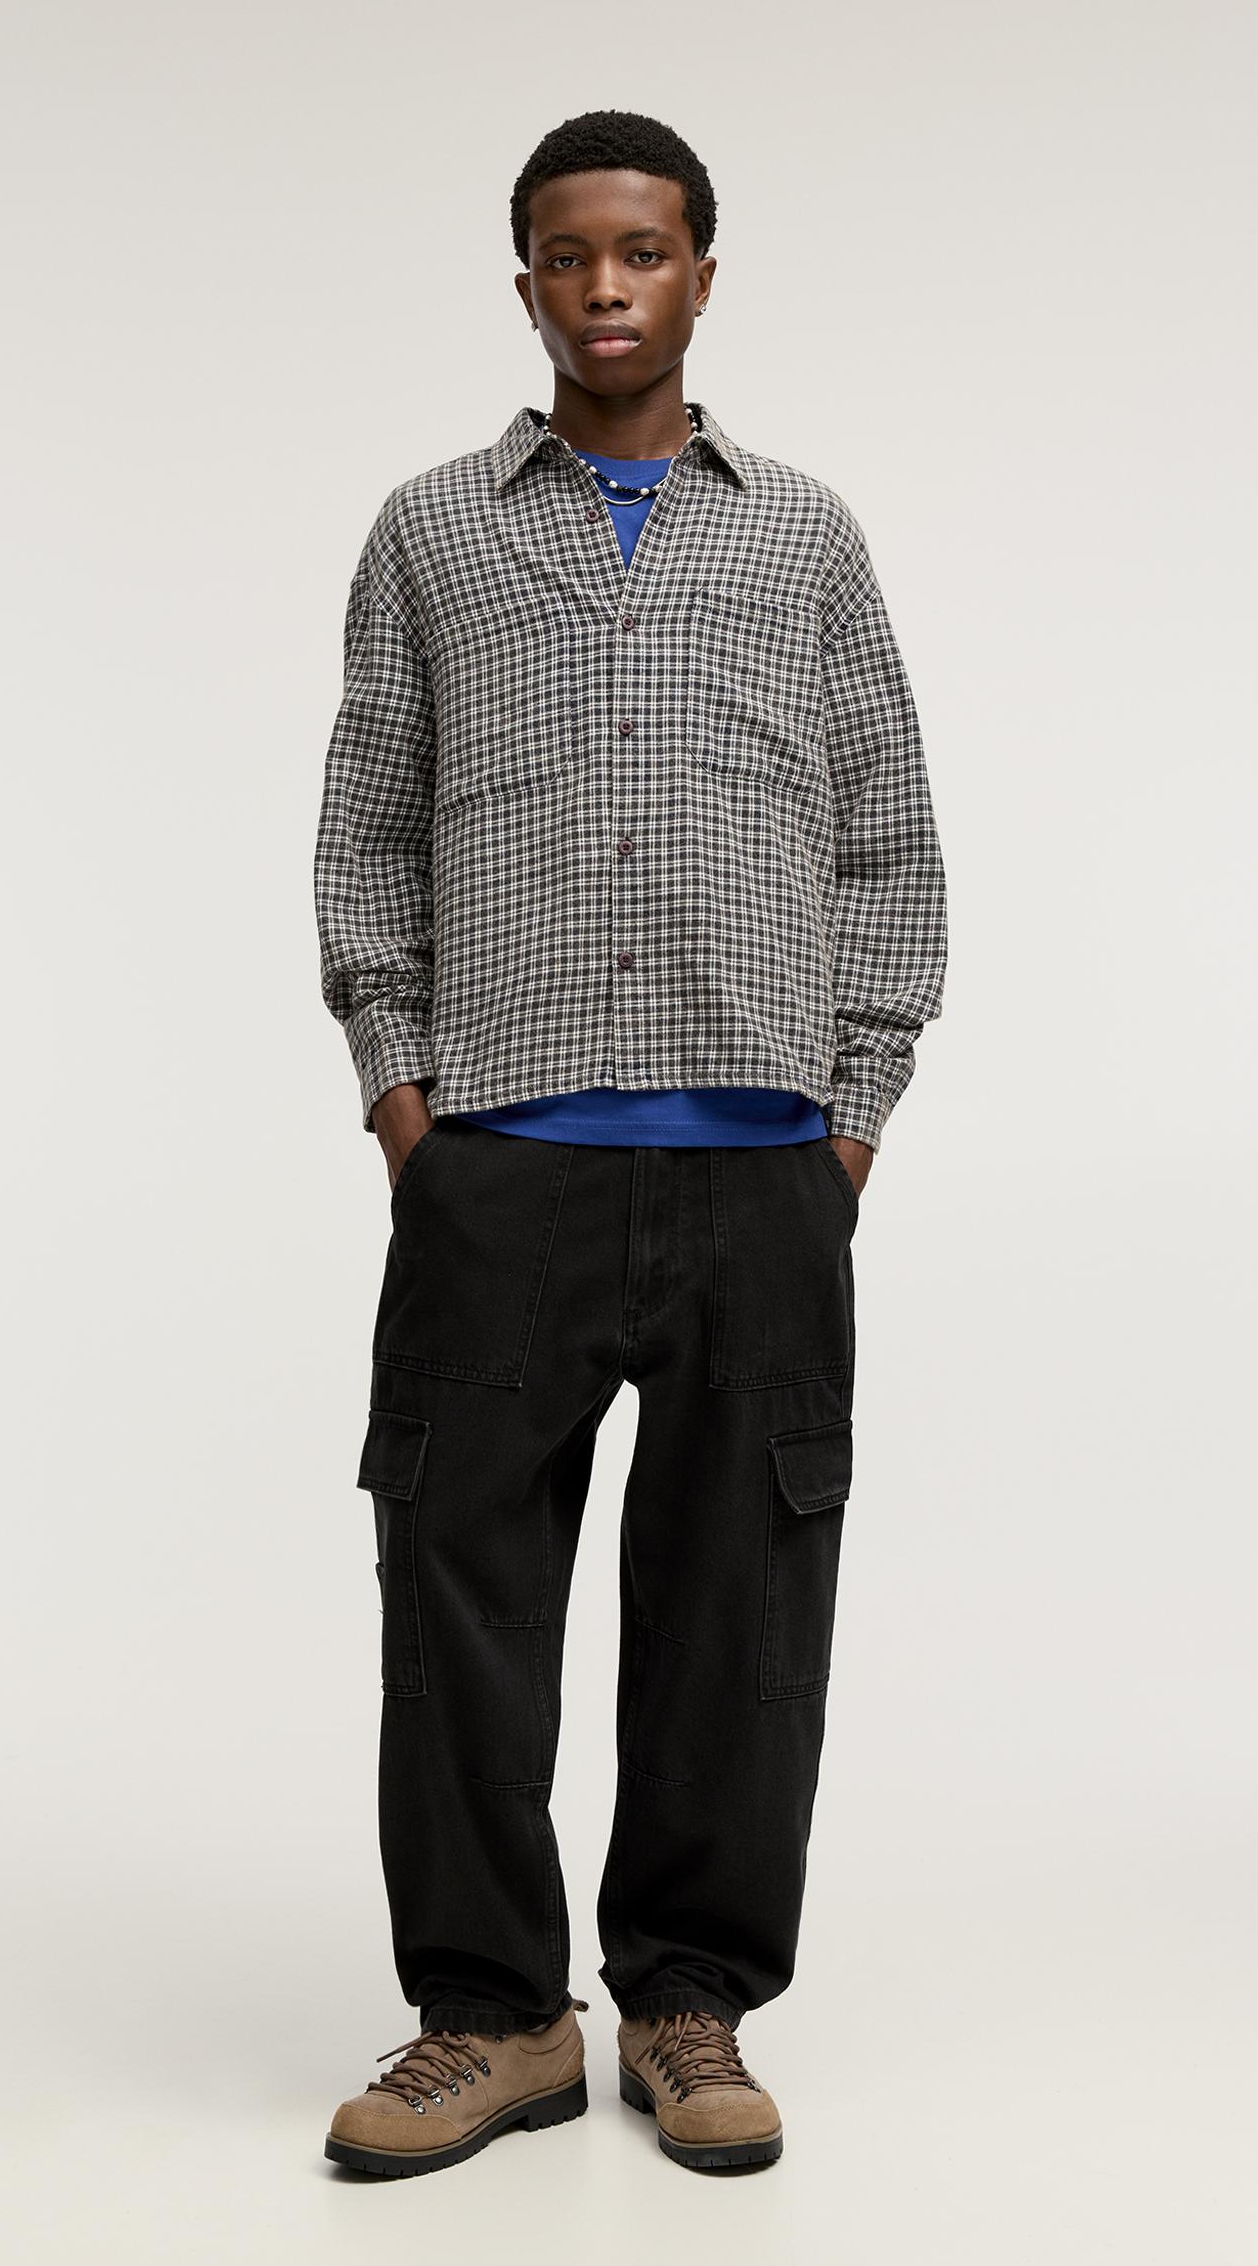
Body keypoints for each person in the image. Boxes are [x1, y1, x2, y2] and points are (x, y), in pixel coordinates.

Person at [312, 108, 948, 2179]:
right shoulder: (428, 531)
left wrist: (847, 1120)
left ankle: (687, 2004)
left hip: (761, 1164)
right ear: (525, 283)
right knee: (459, 1602)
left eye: (643, 250)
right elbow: (367, 826)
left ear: (699, 275)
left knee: (737, 1612)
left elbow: (884, 839)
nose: (606, 286)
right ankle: (491, 2019)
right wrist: (410, 1112)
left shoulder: (804, 537)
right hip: (499, 1162)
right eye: (569, 254)